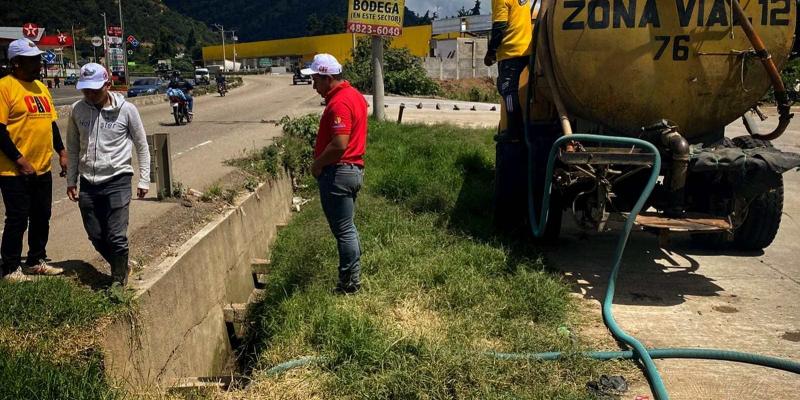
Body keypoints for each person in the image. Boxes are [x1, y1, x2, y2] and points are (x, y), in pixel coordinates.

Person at [66, 63, 151, 287]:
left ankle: (117, 282)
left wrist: (144, 179)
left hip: (118, 179)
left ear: (108, 84)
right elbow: (73, 148)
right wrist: (71, 180)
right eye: (86, 90)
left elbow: (142, 146)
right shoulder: (77, 110)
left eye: (95, 89)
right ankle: (122, 266)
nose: (90, 94)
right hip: (88, 182)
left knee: (116, 236)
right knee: (96, 235)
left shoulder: (127, 110)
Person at [0, 39, 67, 281]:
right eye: (32, 59)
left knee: (41, 215)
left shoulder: (41, 87)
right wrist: (19, 159)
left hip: (42, 167)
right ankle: (9, 267)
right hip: (13, 170)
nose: (38, 63)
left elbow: (50, 123)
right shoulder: (5, 87)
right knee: (17, 217)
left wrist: (61, 151)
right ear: (16, 62)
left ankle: (36, 260)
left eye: (38, 58)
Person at [303, 54, 368, 295]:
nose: (314, 86)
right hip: (351, 170)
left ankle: (349, 285)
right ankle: (353, 278)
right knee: (348, 228)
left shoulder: (339, 102)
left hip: (338, 172)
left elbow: (340, 143)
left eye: (316, 81)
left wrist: (317, 165)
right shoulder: (354, 96)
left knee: (344, 231)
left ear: (328, 77)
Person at [484, 0, 533, 138]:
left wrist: (491, 52)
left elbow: (500, 26)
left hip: (510, 52)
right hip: (526, 49)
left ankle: (514, 131)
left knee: (508, 91)